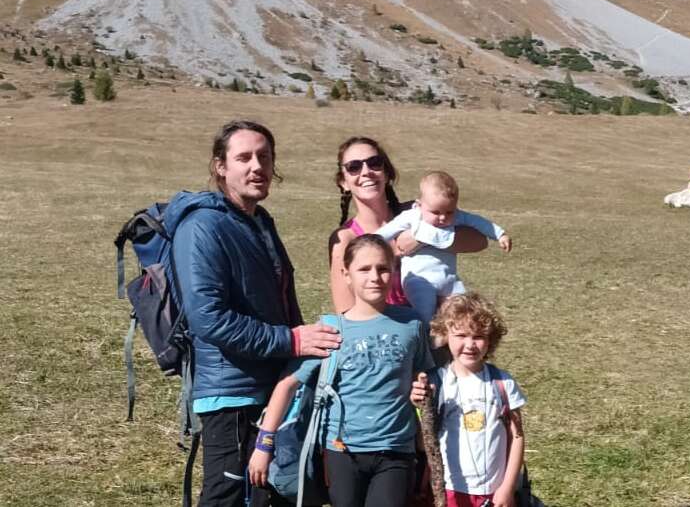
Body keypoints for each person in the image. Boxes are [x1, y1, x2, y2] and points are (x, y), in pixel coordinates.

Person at [170, 119, 342, 507]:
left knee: (269, 494)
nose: (257, 166)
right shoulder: (201, 226)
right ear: (220, 167)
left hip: (269, 381)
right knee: (227, 495)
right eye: (244, 157)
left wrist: (295, 360)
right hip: (230, 392)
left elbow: (281, 302)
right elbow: (208, 318)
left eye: (264, 156)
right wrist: (292, 340)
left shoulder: (260, 222)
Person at [248, 234, 434, 507]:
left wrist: (423, 388)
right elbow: (287, 385)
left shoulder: (411, 324)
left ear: (394, 271)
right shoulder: (330, 329)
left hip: (396, 450)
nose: (375, 277)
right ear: (346, 275)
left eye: (383, 268)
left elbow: (423, 373)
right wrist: (264, 445)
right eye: (364, 269)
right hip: (340, 451)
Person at [328, 137, 489, 313]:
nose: (366, 172)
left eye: (375, 163)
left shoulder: (419, 212)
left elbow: (479, 241)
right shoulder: (346, 238)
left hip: (441, 327)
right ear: (343, 182)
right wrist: (391, 251)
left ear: (387, 173)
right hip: (392, 335)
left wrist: (422, 235)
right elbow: (345, 312)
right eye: (354, 167)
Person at [413, 294, 526, 507]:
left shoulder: (503, 383)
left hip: (494, 491)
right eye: (461, 335)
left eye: (479, 336)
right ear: (445, 335)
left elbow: (517, 437)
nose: (470, 344)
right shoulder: (437, 383)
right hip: (449, 490)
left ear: (491, 339)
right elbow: (422, 443)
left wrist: (507, 488)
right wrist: (420, 407)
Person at [376, 171, 512, 323]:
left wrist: (500, 234)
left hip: (449, 280)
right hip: (419, 280)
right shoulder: (411, 216)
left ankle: (445, 341)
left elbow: (478, 222)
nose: (442, 217)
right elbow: (385, 232)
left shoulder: (456, 216)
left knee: (461, 313)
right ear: (420, 204)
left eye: (449, 212)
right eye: (435, 212)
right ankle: (427, 341)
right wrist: (369, 243)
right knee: (425, 314)